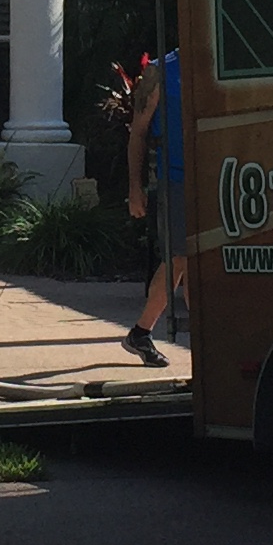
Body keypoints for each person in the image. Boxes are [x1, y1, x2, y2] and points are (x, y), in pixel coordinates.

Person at [122, 48, 186, 365]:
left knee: (193, 260)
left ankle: (142, 332)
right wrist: (136, 188)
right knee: (179, 257)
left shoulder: (223, 64)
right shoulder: (160, 71)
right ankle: (141, 331)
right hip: (175, 181)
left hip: (214, 176)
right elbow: (138, 132)